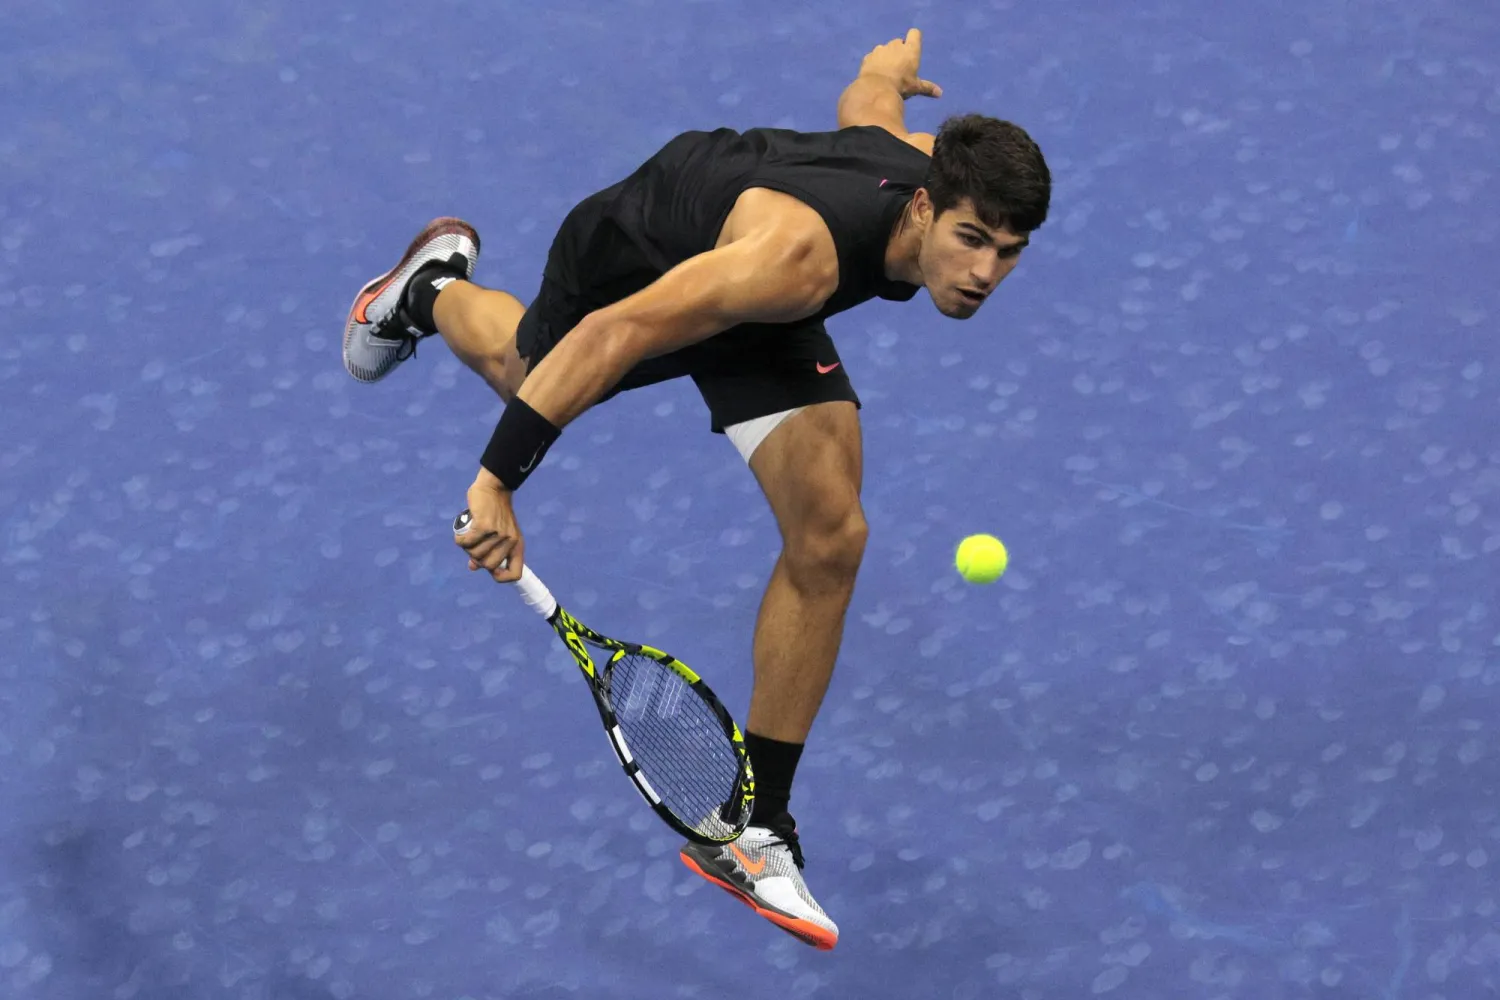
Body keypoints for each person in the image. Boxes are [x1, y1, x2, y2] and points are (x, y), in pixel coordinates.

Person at [339, 29, 1050, 951]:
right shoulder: (795, 259)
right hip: (644, 248)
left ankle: (754, 829)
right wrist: (496, 481)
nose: (985, 273)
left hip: (758, 292)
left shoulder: (922, 164)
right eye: (971, 241)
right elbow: (614, 335)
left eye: (1008, 251)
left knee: (831, 536)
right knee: (527, 374)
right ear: (923, 208)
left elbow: (866, 112)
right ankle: (428, 289)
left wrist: (884, 73)